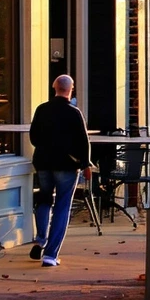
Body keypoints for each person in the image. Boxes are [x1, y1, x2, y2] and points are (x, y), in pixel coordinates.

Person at [28, 74, 91, 267]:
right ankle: (50, 254)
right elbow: (83, 141)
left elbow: (33, 138)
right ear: (70, 89)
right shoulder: (74, 112)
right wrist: (85, 164)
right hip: (66, 165)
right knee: (62, 206)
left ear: (54, 87)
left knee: (44, 199)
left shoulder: (42, 109)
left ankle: (40, 239)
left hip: (44, 163)